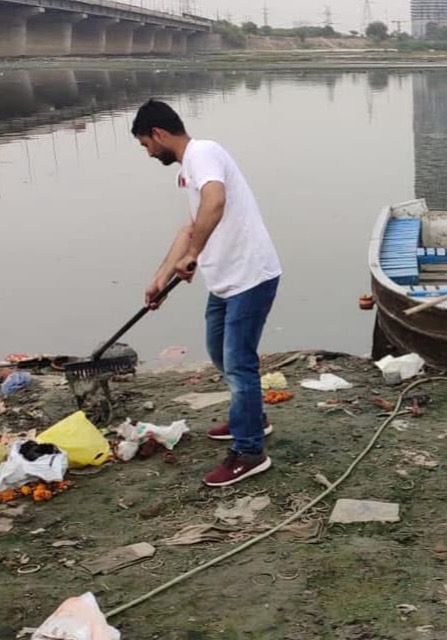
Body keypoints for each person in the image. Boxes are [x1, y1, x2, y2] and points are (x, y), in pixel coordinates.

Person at [131, 99, 282, 487]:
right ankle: (251, 418)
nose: (148, 153)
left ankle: (249, 452)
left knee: (238, 362)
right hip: (225, 281)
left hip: (250, 276)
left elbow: (216, 200)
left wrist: (194, 254)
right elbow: (190, 227)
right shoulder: (189, 170)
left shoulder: (203, 153)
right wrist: (161, 278)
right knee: (219, 351)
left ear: (159, 134)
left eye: (146, 144)